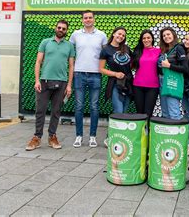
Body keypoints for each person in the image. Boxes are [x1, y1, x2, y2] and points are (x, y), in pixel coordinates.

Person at [26, 19, 75, 151]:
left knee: (56, 111)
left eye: (64, 29)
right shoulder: (45, 42)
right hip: (44, 82)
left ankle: (52, 136)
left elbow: (71, 66)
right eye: (59, 27)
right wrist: (37, 80)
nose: (61, 30)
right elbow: (38, 62)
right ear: (55, 28)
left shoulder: (69, 46)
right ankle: (37, 137)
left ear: (66, 31)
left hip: (62, 83)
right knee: (40, 110)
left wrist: (69, 85)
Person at [70, 10, 107, 148]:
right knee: (79, 106)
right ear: (82, 20)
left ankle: (93, 136)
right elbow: (71, 53)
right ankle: (78, 136)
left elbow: (105, 54)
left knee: (94, 107)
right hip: (79, 73)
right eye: (85, 18)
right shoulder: (75, 35)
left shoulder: (102, 35)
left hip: (95, 74)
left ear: (94, 19)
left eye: (90, 17)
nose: (88, 20)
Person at [99, 27, 133, 114]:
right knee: (118, 110)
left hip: (128, 82)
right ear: (114, 33)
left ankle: (121, 127)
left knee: (125, 110)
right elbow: (101, 69)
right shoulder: (106, 49)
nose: (121, 36)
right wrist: (115, 74)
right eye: (119, 34)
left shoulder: (126, 48)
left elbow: (133, 63)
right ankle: (116, 127)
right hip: (116, 83)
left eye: (123, 35)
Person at [158, 27, 187, 120]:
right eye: (164, 36)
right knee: (165, 113)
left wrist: (169, 65)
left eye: (168, 34)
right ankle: (167, 134)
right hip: (162, 81)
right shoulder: (164, 50)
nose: (166, 37)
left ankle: (178, 134)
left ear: (173, 35)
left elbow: (185, 68)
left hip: (172, 82)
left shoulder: (179, 48)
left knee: (174, 112)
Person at [132, 29, 161, 119]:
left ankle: (147, 132)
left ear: (152, 39)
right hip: (137, 86)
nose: (146, 40)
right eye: (144, 38)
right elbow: (130, 66)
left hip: (153, 87)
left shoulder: (159, 51)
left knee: (148, 114)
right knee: (139, 114)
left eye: (148, 38)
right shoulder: (137, 52)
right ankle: (140, 133)